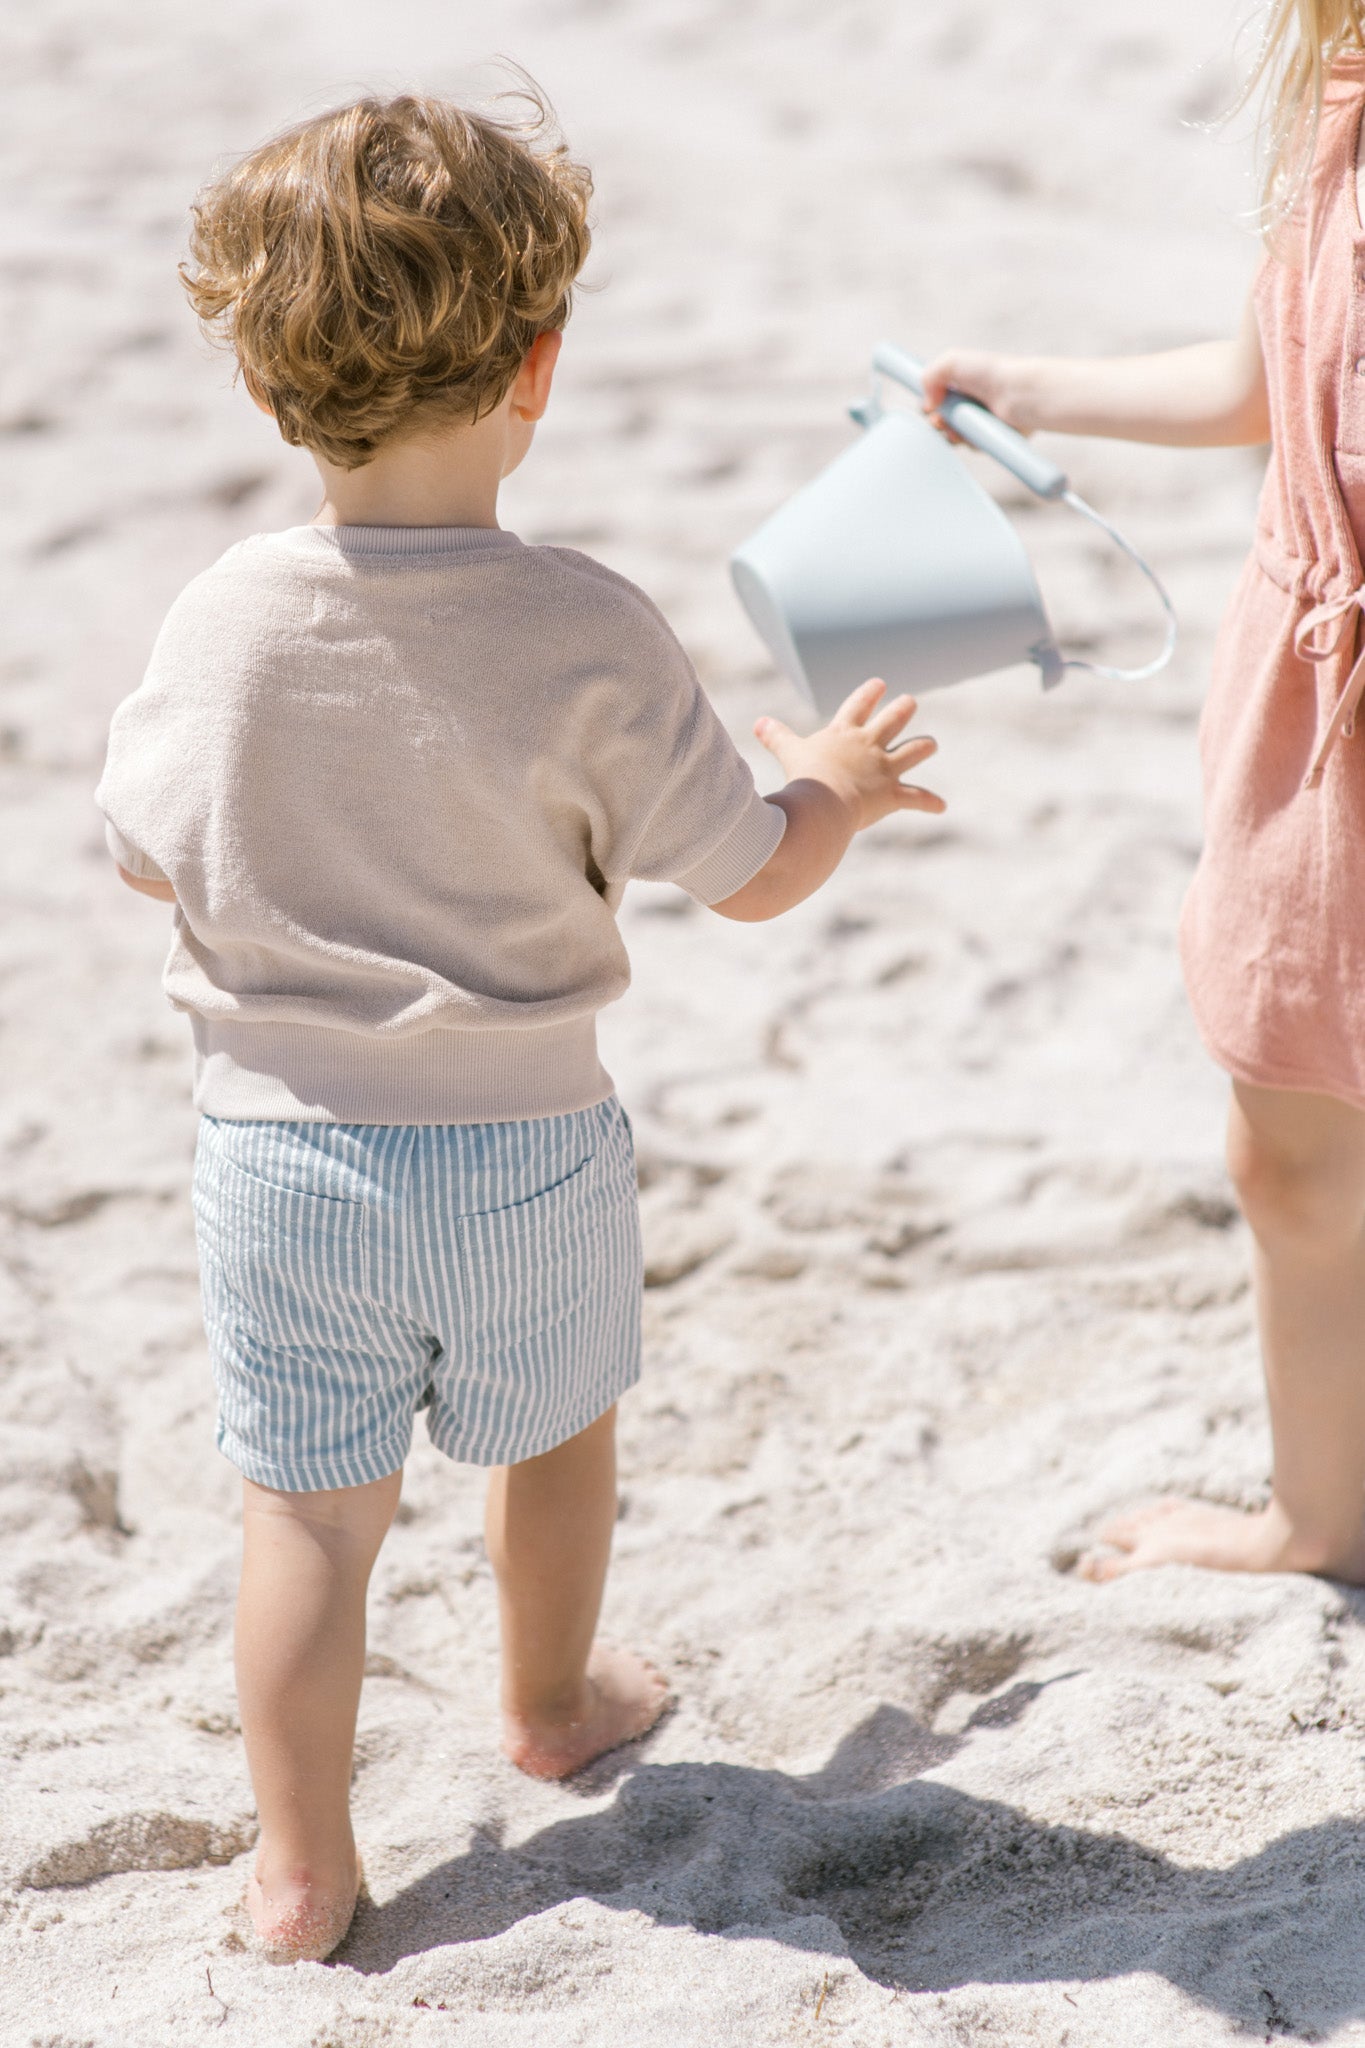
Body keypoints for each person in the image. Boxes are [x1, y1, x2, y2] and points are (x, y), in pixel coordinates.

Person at [94, 90, 944, 1964]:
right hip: (521, 1145)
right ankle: (551, 1700)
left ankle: (303, 1868)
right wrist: (834, 787)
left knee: (308, 1520)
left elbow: (147, 857)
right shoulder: (584, 625)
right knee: (554, 1434)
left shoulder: (222, 618)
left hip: (282, 1153)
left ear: (264, 382)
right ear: (540, 363)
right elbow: (744, 875)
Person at [923, 7, 1365, 1587]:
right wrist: (1025, 389)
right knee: (1287, 1145)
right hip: (1310, 714)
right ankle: (1324, 1518)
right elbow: (1268, 373)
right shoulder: (1336, 96)